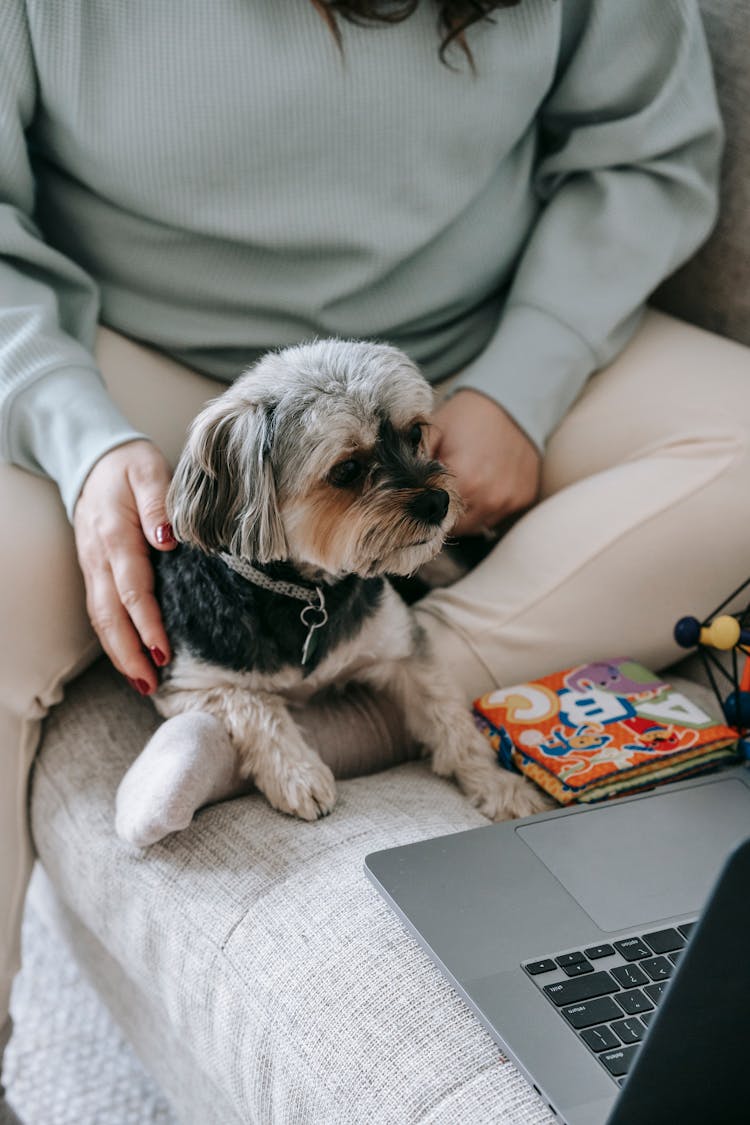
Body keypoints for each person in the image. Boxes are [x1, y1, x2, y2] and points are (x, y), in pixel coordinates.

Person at [2, 0, 749, 1117]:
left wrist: (524, 378)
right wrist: (80, 434)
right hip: (138, 364)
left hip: (467, 351)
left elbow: (644, 152)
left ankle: (346, 686)